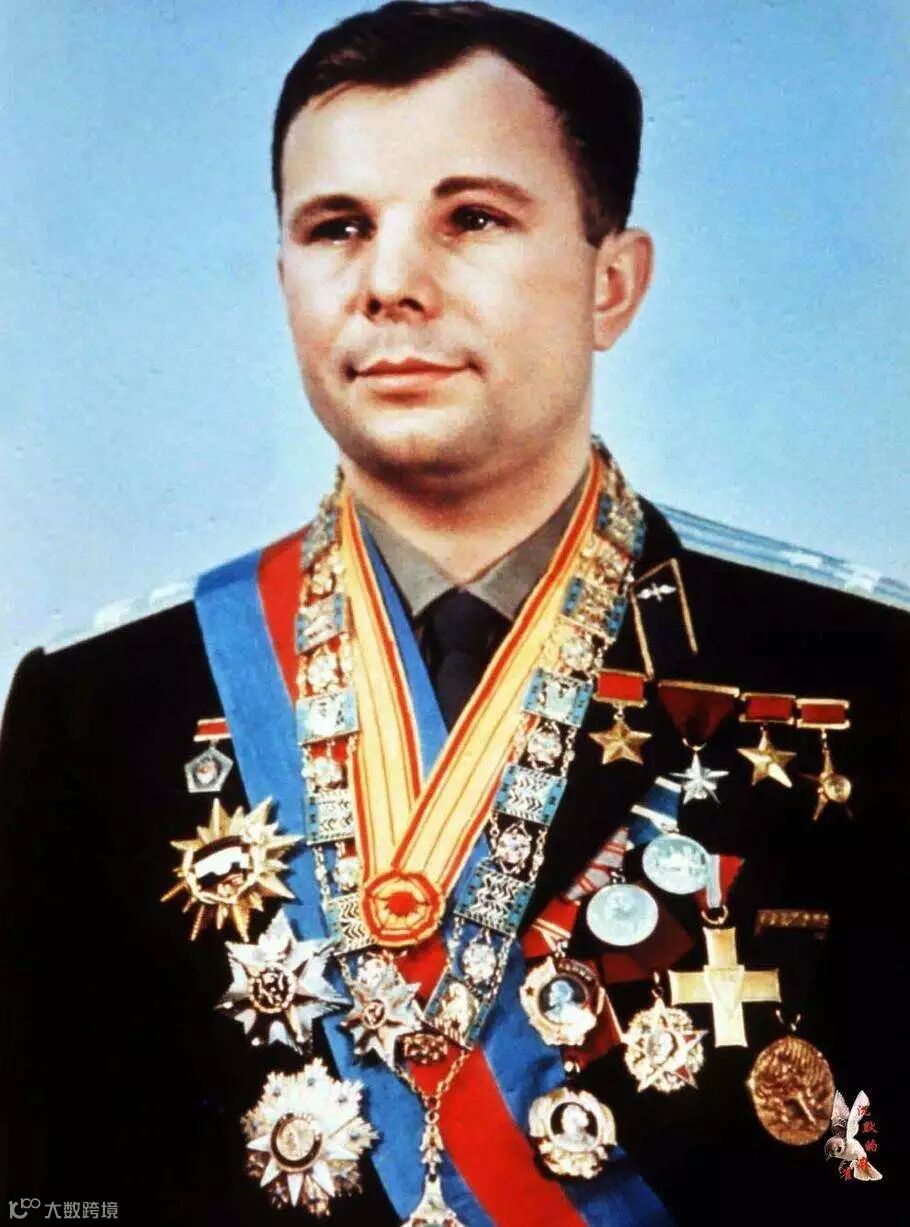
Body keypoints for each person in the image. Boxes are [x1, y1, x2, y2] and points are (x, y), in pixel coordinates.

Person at [1, 3, 906, 1224]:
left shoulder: (867, 669)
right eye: (337, 228)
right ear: (284, 280)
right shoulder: (98, 708)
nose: (389, 284)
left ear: (611, 284)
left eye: (472, 218)